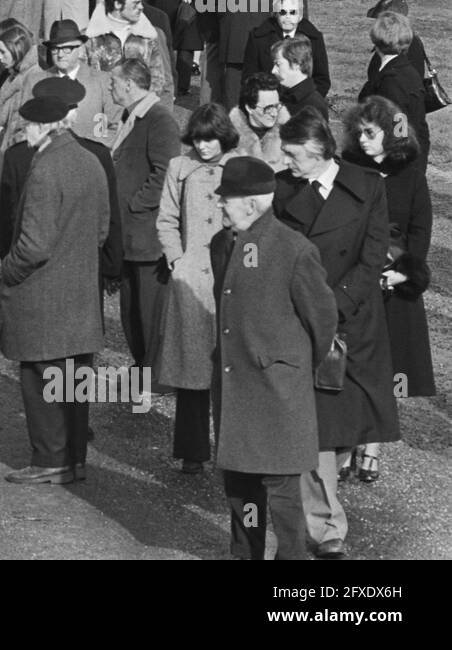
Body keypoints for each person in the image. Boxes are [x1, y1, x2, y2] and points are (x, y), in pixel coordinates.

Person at [274, 110, 400, 559]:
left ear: (320, 151)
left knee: (348, 429)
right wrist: (313, 311)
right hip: (306, 326)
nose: (285, 159)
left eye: (292, 153)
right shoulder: (283, 188)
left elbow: (372, 257)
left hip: (356, 324)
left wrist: (336, 305)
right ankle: (327, 531)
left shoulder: (368, 185)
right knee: (320, 433)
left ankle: (324, 508)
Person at [211, 156, 337, 560]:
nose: (220, 206)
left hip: (278, 393)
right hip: (238, 388)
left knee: (283, 493)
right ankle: (245, 553)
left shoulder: (295, 250)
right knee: (242, 490)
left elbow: (323, 322)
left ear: (250, 203)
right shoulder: (224, 243)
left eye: (225, 200)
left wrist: (289, 369)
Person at [0, 94, 111, 485]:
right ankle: (74, 460)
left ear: (44, 126)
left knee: (42, 376)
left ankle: (49, 459)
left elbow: (33, 245)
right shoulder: (91, 159)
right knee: (75, 381)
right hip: (79, 291)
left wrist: (7, 273)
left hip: (44, 294)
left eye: (27, 125)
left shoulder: (44, 168)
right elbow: (101, 230)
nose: (23, 131)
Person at [342, 96, 434, 484]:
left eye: (371, 133)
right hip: (358, 277)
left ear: (390, 134)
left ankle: (374, 446)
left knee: (391, 366)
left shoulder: (410, 172)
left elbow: (420, 229)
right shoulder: (348, 167)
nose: (363, 140)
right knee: (350, 364)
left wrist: (404, 273)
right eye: (358, 132)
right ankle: (346, 443)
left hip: (395, 282)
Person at [155, 104, 239, 475]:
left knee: (231, 368)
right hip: (191, 278)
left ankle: (234, 450)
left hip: (229, 278)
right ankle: (192, 451)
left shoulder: (240, 166)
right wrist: (177, 260)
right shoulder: (180, 168)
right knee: (192, 368)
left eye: (211, 140)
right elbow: (167, 218)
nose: (204, 147)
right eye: (199, 140)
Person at [110, 58, 182, 366]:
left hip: (146, 236)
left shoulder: (159, 119)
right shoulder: (132, 115)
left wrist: (134, 204)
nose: (110, 86)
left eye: (113, 81)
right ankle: (143, 366)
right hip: (129, 234)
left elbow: (167, 172)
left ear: (128, 83)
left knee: (150, 311)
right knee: (131, 309)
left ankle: (157, 373)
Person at [0, 21, 35, 253]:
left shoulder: (31, 79)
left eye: (2, 52)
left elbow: (27, 122)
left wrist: (0, 128)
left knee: (13, 216)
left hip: (13, 155)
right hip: (2, 150)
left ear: (16, 49)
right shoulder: (11, 75)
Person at [359, 11, 429, 165]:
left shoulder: (391, 82)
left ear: (376, 39)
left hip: (395, 167)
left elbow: (399, 131)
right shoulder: (407, 70)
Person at [243, 0, 330, 96]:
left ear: (300, 16)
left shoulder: (314, 39)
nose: (288, 16)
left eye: (293, 12)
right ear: (276, 15)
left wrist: (305, 100)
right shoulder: (258, 39)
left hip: (303, 102)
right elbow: (249, 77)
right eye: (283, 12)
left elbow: (322, 80)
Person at [230, 73, 291, 171]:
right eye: (268, 108)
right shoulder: (230, 139)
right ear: (249, 108)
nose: (274, 113)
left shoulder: (290, 136)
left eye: (276, 106)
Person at [272, 37, 329, 121]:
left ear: (296, 64)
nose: (273, 71)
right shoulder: (282, 97)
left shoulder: (314, 107)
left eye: (278, 64)